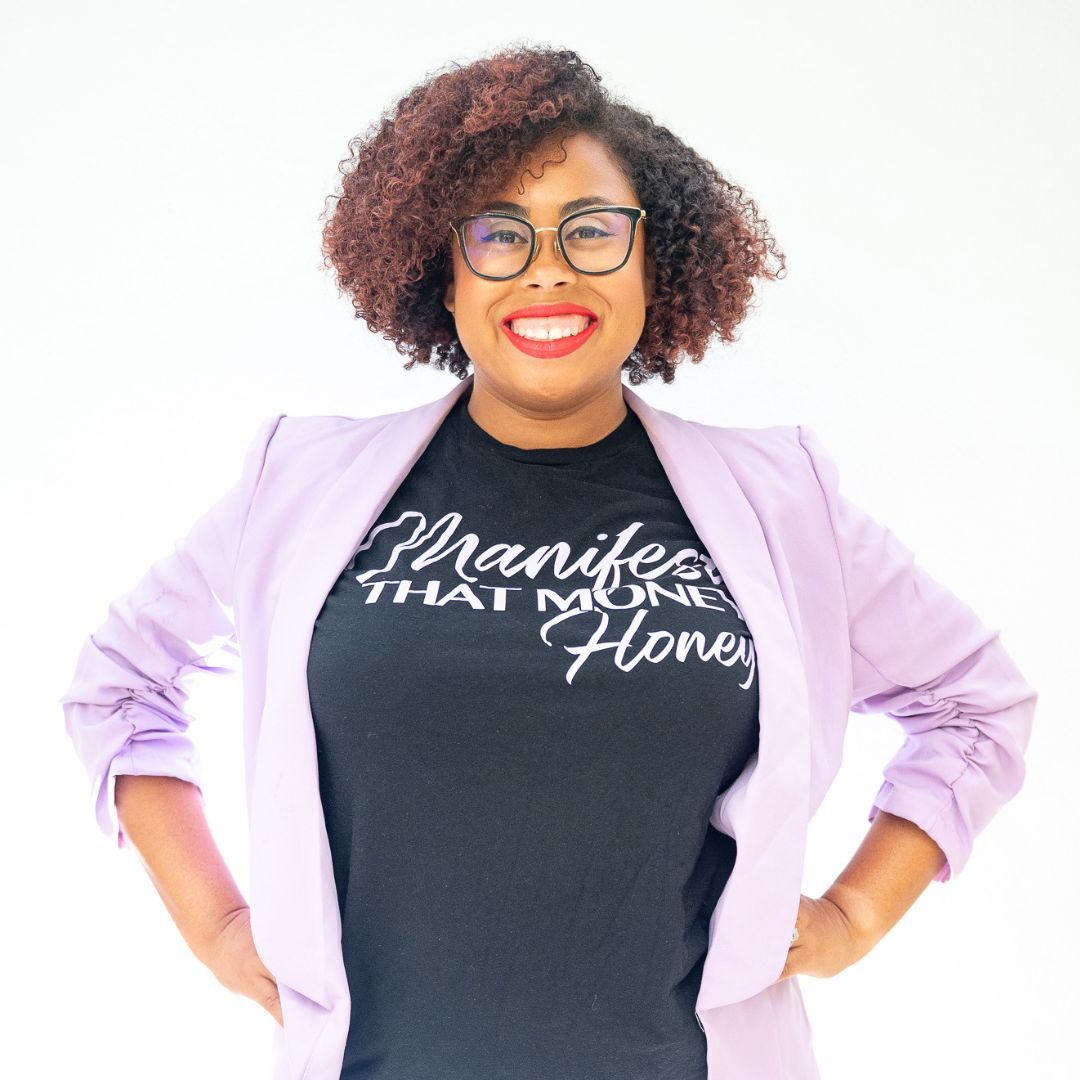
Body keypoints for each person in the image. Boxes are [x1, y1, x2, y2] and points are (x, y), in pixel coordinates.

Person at [59, 45, 1038, 1080]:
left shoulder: (782, 500)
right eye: (498, 232)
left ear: (656, 260)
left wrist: (853, 915)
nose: (548, 268)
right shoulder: (298, 482)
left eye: (593, 229)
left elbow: (976, 702)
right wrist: (217, 923)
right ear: (442, 269)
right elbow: (119, 683)